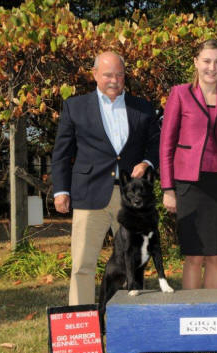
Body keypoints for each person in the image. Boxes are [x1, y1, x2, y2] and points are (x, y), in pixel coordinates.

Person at [51, 51, 160, 305]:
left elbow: (156, 143)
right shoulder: (74, 106)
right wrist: (60, 191)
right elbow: (61, 153)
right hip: (89, 194)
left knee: (134, 262)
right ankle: (83, 327)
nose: (114, 80)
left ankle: (128, 322)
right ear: (95, 74)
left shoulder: (142, 108)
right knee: (82, 265)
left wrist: (147, 162)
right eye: (108, 74)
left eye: (119, 74)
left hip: (131, 199)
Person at [160, 39, 217, 289]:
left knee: (215, 254)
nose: (212, 67)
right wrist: (168, 189)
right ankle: (190, 315)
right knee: (193, 255)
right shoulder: (179, 93)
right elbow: (166, 145)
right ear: (196, 63)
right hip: (188, 184)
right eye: (207, 61)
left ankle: (214, 315)